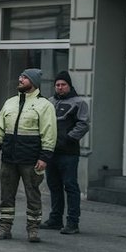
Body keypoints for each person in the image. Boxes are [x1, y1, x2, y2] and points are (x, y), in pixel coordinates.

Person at [0, 68, 57, 242]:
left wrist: (44, 157)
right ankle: (4, 228)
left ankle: (33, 230)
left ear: (33, 82)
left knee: (33, 195)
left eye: (25, 77)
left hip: (31, 160)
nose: (20, 79)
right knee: (6, 195)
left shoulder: (44, 105)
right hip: (9, 158)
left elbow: (49, 132)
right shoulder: (10, 103)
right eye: (20, 76)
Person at [39, 71, 90, 235]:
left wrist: (68, 138)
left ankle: (73, 222)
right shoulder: (49, 102)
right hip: (50, 152)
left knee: (70, 186)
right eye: (57, 85)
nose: (60, 87)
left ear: (69, 86)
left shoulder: (79, 103)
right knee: (54, 186)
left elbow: (83, 125)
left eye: (63, 84)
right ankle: (55, 219)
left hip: (68, 153)